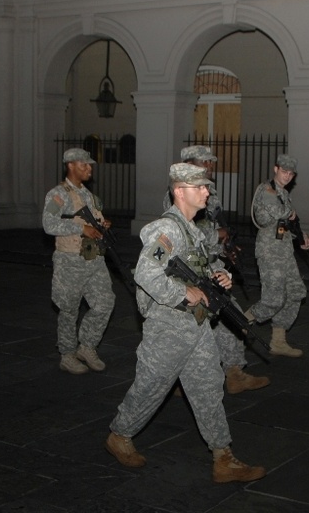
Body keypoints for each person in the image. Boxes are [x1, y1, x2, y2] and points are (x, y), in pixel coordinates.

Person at [106, 163, 265, 484]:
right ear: (180, 191)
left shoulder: (193, 230)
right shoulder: (167, 230)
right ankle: (119, 435)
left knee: (208, 386)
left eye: (207, 186)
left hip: (196, 325)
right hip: (168, 326)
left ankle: (223, 457)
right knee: (152, 386)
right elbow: (146, 273)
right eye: (200, 187)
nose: (208, 192)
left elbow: (195, 270)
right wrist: (185, 292)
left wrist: (219, 277)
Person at [164, 145, 269, 394]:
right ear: (191, 163)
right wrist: (216, 236)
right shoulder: (179, 193)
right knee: (193, 323)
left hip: (210, 262)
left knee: (227, 314)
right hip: (190, 266)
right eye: (205, 163)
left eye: (211, 163)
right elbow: (185, 231)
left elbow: (212, 226)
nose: (211, 167)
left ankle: (233, 372)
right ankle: (177, 378)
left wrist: (225, 247)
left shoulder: (211, 191)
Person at [42, 148, 116, 375]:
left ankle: (87, 346)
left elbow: (95, 219)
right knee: (68, 309)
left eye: (90, 165)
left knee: (105, 302)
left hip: (94, 259)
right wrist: (79, 227)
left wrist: (102, 225)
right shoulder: (58, 194)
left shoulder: (89, 195)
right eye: (84, 165)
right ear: (71, 165)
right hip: (70, 260)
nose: (89, 169)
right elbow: (48, 223)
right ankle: (67, 354)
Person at [248, 154, 309, 357]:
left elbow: (284, 224)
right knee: (273, 299)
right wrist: (290, 212)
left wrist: (301, 236)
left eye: (291, 174)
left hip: (284, 250)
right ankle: (238, 323)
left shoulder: (282, 193)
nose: (287, 176)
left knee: (295, 292)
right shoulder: (267, 189)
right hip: (269, 251)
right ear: (276, 169)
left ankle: (278, 340)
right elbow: (278, 213)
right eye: (284, 172)